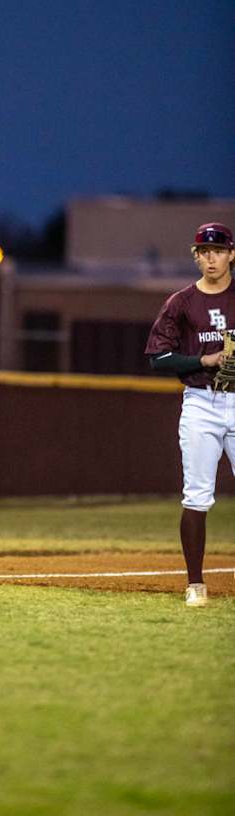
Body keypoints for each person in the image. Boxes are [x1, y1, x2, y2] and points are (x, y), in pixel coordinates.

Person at [145, 222, 235, 606]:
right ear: (196, 256)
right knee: (197, 496)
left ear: (232, 254)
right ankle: (195, 584)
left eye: (217, 250)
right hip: (201, 401)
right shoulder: (180, 303)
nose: (210, 257)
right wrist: (203, 358)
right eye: (203, 251)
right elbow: (158, 358)